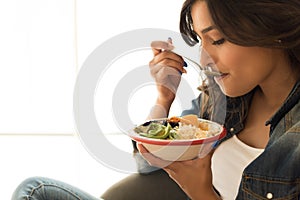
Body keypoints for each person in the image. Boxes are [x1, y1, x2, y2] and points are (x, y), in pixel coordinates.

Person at [12, 0, 300, 199]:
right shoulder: (227, 101)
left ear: (269, 28)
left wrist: (201, 193)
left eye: (218, 40)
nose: (204, 60)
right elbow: (148, 162)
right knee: (35, 191)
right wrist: (164, 98)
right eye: (201, 41)